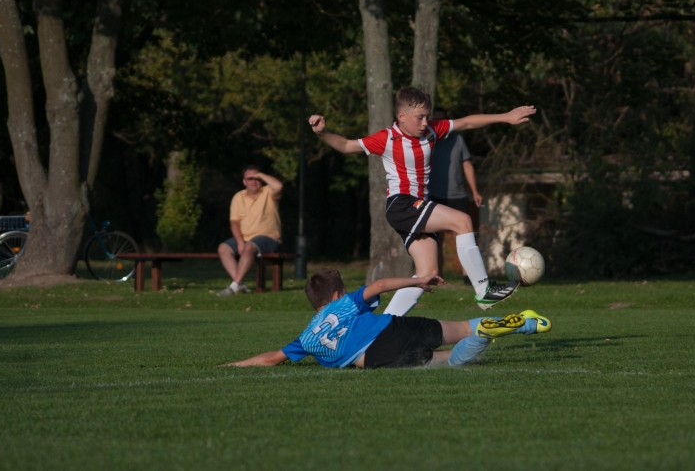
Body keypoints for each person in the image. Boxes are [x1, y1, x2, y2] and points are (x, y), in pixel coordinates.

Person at [309, 87, 536, 314]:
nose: (425, 122)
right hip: (402, 204)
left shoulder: (431, 131)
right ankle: (483, 290)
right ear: (402, 117)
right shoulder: (387, 138)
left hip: (415, 205)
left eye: (427, 116)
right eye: (420, 118)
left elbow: (466, 122)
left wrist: (506, 117)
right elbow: (347, 146)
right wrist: (322, 132)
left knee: (427, 274)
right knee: (463, 221)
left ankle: (385, 326)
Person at [223, 268, 551, 369]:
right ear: (337, 295)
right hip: (390, 326)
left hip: (377, 357)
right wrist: (417, 280)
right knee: (460, 328)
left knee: (448, 362)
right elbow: (379, 286)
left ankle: (484, 338)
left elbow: (270, 359)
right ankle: (524, 323)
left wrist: (230, 366)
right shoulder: (344, 305)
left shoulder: (307, 338)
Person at [428, 108, 482, 284]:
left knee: (464, 235)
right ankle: (438, 277)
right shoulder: (428, 141)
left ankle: (468, 277)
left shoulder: (458, 140)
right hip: (435, 195)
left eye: (442, 121)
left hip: (457, 195)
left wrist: (475, 191)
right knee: (437, 240)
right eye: (435, 121)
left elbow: (467, 165)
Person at [216, 165, 283, 296]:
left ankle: (233, 287)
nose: (253, 181)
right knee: (223, 248)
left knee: (249, 247)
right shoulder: (238, 197)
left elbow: (279, 186)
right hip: (246, 237)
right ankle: (240, 285)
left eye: (256, 178)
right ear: (244, 182)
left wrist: (261, 175)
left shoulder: (268, 192)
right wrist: (240, 242)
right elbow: (234, 222)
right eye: (250, 178)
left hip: (268, 237)